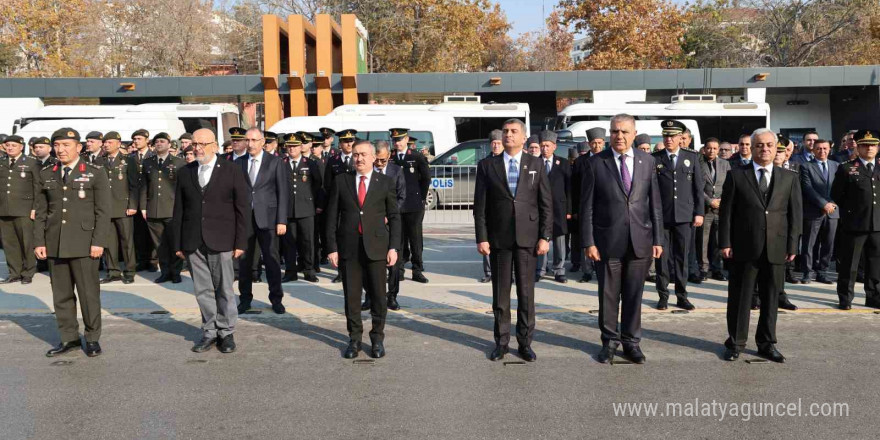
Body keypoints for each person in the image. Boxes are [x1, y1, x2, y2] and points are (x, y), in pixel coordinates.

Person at [581, 114, 663, 364]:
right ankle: (609, 342)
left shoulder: (647, 161)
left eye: (625, 132)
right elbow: (587, 207)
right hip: (607, 242)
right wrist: (589, 242)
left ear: (634, 133)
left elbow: (655, 204)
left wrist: (658, 239)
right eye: (615, 131)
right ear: (609, 133)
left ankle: (631, 342)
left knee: (633, 295)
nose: (619, 136)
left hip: (640, 241)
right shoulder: (596, 163)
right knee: (608, 296)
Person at [719, 128, 802, 363]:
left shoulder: (789, 177)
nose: (764, 149)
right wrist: (724, 242)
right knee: (740, 298)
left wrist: (793, 245)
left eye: (768, 145)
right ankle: (735, 342)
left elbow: (795, 215)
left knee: (771, 298)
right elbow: (726, 213)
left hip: (776, 248)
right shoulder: (736, 175)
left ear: (776, 148)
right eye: (759, 145)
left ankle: (767, 343)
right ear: (751, 148)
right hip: (744, 247)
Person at [474, 118, 552, 362]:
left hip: (528, 238)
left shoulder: (536, 164)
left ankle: (525, 342)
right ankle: (501, 342)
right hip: (499, 238)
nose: (508, 135)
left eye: (514, 131)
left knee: (526, 294)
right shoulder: (488, 165)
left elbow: (545, 204)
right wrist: (482, 237)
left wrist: (544, 236)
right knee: (501, 295)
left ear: (524, 136)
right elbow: (480, 206)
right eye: (506, 131)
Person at [35, 128, 111, 357]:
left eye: (66, 145)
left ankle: (92, 338)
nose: (61, 149)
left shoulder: (95, 171)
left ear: (79, 147)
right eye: (57, 145)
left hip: (85, 243)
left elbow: (103, 211)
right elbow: (40, 212)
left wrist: (98, 242)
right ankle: (68, 338)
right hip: (55, 242)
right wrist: (39, 241)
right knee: (61, 295)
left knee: (88, 294)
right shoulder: (47, 173)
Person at [172, 128, 249, 353]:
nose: (197, 148)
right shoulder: (185, 171)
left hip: (223, 239)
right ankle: (209, 331)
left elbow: (242, 208)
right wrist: (178, 244)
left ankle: (226, 332)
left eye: (202, 144)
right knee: (202, 290)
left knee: (224, 289)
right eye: (194, 144)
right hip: (193, 241)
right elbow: (179, 210)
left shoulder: (231, 170)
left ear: (215, 146)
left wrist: (240, 242)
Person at [325, 140, 401, 359]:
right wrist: (332, 248)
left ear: (373, 157)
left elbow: (395, 217)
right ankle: (354, 339)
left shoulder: (384, 182)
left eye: (363, 155)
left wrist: (394, 247)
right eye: (356, 155)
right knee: (352, 297)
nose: (359, 158)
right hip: (349, 249)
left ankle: (377, 339)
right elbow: (331, 217)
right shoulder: (342, 181)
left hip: (377, 248)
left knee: (378, 297)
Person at [651, 120, 704, 310]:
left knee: (682, 257)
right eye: (665, 136)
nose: (668, 140)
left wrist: (699, 213)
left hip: (685, 215)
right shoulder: (655, 158)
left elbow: (698, 188)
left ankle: (682, 295)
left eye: (672, 136)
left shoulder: (691, 157)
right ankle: (663, 295)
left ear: (681, 138)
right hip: (662, 217)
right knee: (662, 258)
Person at [235, 128, 289, 314]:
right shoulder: (239, 162)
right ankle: (244, 298)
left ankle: (276, 299)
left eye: (254, 140)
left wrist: (282, 220)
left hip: (269, 219)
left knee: (272, 260)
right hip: (245, 220)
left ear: (262, 141)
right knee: (244, 262)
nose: (250, 144)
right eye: (247, 140)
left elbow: (283, 192)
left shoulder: (275, 162)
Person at [831, 129, 880, 310]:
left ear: (878, 147)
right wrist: (852, 213)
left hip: (877, 225)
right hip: (854, 225)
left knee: (875, 264)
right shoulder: (846, 168)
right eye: (865, 145)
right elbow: (837, 195)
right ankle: (845, 297)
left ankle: (874, 296)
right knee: (850, 265)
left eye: (873, 145)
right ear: (857, 147)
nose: (869, 148)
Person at [139, 132, 186, 284]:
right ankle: (165, 271)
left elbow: (183, 188)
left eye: (162, 141)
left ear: (169, 144)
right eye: (156, 141)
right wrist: (143, 207)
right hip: (153, 208)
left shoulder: (179, 163)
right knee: (160, 245)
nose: (159, 144)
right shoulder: (148, 162)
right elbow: (144, 186)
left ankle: (176, 272)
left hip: (172, 208)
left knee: (174, 243)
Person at [368, 142, 406, 311]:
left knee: (394, 263)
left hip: (391, 224)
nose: (379, 164)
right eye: (377, 160)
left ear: (389, 156)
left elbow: (401, 196)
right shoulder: (366, 172)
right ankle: (370, 296)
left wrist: (388, 215)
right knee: (370, 261)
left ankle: (392, 296)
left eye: (383, 160)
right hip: (371, 225)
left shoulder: (396, 171)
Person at [390, 128, 431, 284]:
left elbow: (426, 178)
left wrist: (421, 197)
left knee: (415, 239)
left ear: (406, 139)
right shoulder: (391, 158)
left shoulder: (416, 156)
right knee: (398, 239)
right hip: (397, 204)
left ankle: (417, 269)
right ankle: (398, 270)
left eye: (400, 139)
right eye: (394, 140)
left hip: (414, 205)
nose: (397, 143)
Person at [98, 131, 138, 284]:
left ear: (118, 143)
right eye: (105, 143)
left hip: (123, 207)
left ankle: (129, 271)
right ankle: (113, 271)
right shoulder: (99, 161)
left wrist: (132, 205)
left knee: (127, 241)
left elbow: (134, 185)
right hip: (105, 208)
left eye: (110, 142)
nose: (106, 145)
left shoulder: (128, 161)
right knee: (109, 242)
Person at [281, 133, 322, 283]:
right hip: (288, 209)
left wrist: (318, 205)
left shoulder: (310, 163)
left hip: (306, 208)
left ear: (300, 147)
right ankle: (290, 271)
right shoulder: (282, 163)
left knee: (308, 241)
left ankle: (308, 270)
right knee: (289, 242)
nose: (291, 148)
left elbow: (318, 185)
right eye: (289, 146)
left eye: (295, 146)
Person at [0, 135, 40, 284]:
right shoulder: (1, 162)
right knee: (9, 243)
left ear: (21, 147)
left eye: (13, 145)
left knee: (26, 242)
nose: (10, 148)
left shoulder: (31, 163)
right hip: (4, 209)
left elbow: (37, 187)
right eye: (8, 145)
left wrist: (35, 207)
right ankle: (14, 272)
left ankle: (28, 272)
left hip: (24, 209)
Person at [799, 139, 838, 285]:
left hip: (833, 211)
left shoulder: (836, 166)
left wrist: (831, 204)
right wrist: (823, 204)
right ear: (813, 150)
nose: (822, 151)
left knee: (828, 243)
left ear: (829, 150)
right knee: (809, 243)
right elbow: (807, 188)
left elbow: (840, 188)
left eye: (825, 148)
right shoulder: (806, 166)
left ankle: (822, 272)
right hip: (813, 211)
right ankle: (807, 272)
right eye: (819, 148)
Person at [535, 130, 570, 284]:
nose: (545, 149)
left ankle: (559, 270)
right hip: (539, 208)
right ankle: (540, 269)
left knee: (559, 240)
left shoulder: (563, 163)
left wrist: (569, 210)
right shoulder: (533, 163)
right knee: (541, 238)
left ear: (554, 146)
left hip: (559, 208)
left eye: (548, 146)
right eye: (542, 146)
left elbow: (570, 188)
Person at [324, 129, 357, 282]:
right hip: (338, 204)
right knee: (340, 238)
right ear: (340, 143)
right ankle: (341, 273)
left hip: (355, 204)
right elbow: (328, 184)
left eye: (351, 140)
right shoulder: (333, 160)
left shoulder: (358, 159)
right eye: (345, 141)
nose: (349, 144)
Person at [698, 138, 730, 281]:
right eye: (709, 148)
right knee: (703, 241)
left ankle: (717, 269)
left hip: (720, 209)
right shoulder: (698, 163)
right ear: (704, 149)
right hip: (705, 208)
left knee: (718, 240)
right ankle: (703, 269)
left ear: (718, 150)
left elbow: (730, 184)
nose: (712, 151)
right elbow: (697, 187)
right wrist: (709, 201)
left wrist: (722, 201)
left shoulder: (725, 164)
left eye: (715, 148)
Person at [129, 128, 156, 273]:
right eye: (134, 139)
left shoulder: (153, 156)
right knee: (138, 233)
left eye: (139, 139)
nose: (136, 141)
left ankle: (153, 260)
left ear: (147, 140)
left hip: (150, 199)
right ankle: (142, 260)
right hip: (135, 199)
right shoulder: (130, 157)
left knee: (151, 232)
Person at [479, 129, 504, 283]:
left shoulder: (508, 161)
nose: (495, 146)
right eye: (493, 143)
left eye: (498, 143)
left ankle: (509, 273)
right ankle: (489, 272)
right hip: (488, 210)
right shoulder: (484, 163)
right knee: (487, 242)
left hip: (503, 209)